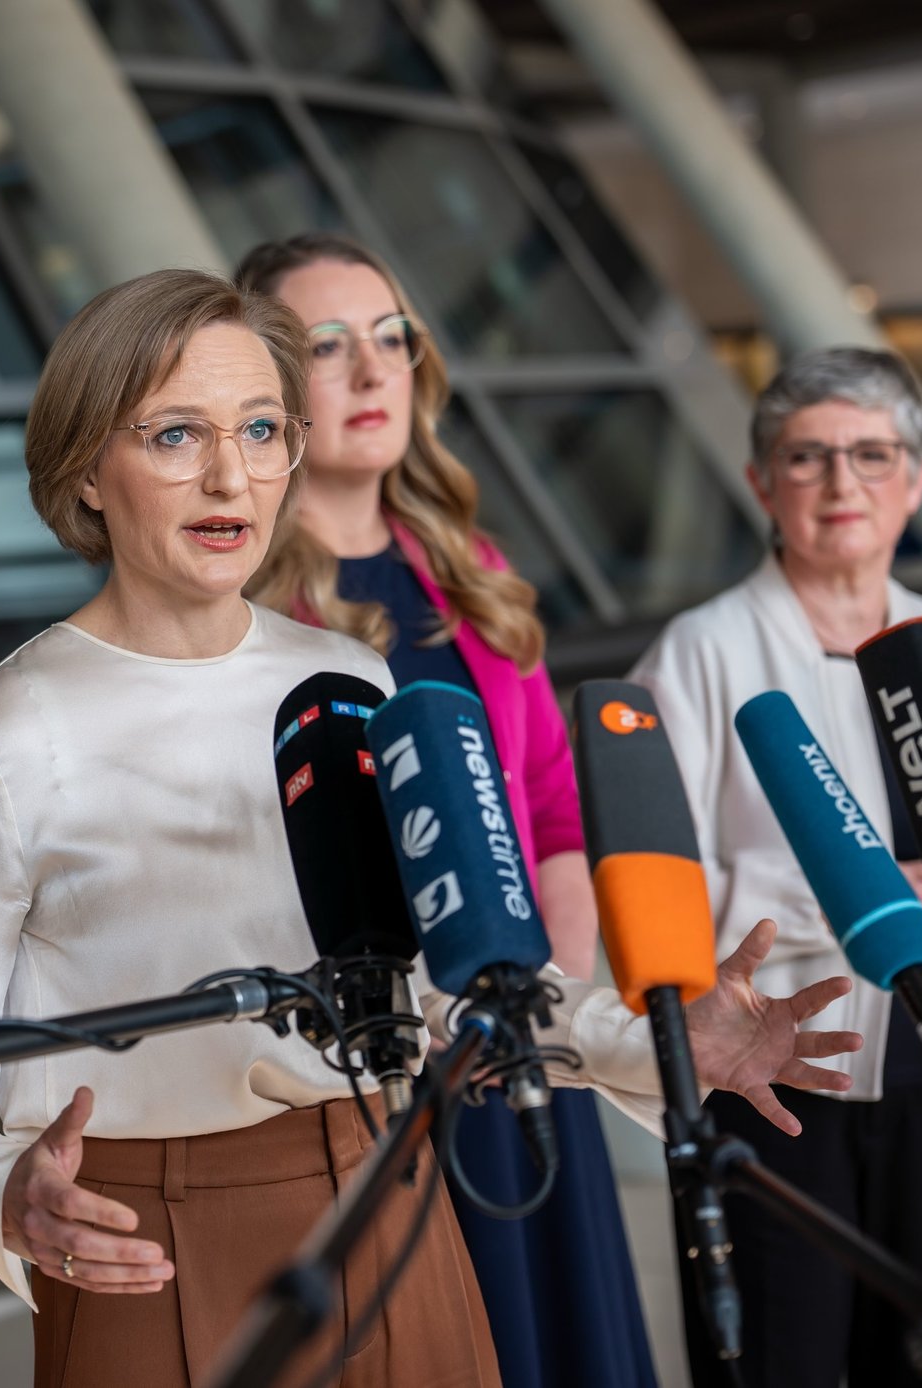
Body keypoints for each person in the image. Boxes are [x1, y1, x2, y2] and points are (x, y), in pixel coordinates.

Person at [0, 266, 866, 1388]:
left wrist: (668, 1043)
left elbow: (441, 979)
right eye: (175, 433)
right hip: (143, 1239)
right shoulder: (2, 734)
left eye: (258, 428)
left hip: (392, 1195)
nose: (229, 473)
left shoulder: (345, 676)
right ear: (87, 466)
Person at [236, 230, 657, 1388]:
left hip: (524, 1047)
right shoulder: (242, 609)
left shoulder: (462, 565)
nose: (374, 373)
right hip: (371, 1085)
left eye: (390, 338)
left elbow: (554, 813)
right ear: (262, 388)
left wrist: (554, 1010)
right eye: (327, 347)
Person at [631, 347, 922, 1388]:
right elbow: (651, 872)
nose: (841, 484)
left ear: (916, 479)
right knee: (772, 1359)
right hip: (773, 1069)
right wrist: (851, 904)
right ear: (760, 482)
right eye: (807, 457)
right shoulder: (698, 650)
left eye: (871, 455)